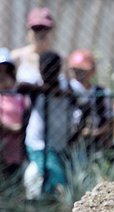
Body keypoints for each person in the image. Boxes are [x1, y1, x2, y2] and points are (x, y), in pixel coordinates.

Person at [22, 51, 75, 199]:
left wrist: (55, 91)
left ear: (58, 68)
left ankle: (46, 205)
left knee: (48, 177)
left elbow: (74, 96)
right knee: (57, 177)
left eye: (51, 68)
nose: (47, 72)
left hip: (60, 144)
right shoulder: (35, 83)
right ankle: (63, 208)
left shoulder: (67, 85)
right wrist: (44, 90)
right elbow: (21, 87)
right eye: (44, 68)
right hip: (38, 142)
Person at [67, 50, 113, 152]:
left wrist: (96, 132)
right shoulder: (67, 90)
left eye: (82, 70)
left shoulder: (102, 92)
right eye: (76, 70)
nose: (79, 74)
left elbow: (110, 119)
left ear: (92, 71)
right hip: (70, 141)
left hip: (96, 142)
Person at [11, 7, 56, 85]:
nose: (40, 33)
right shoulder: (17, 57)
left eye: (44, 28)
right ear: (29, 32)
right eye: (36, 29)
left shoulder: (58, 60)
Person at [0, 48, 27, 178]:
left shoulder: (18, 94)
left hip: (19, 146)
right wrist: (12, 128)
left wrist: (22, 128)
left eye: (5, 70)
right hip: (3, 143)